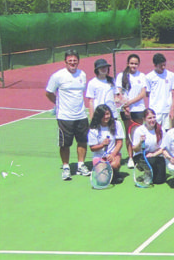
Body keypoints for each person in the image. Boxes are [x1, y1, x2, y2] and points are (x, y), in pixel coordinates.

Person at [46, 49, 91, 180]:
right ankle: (66, 167)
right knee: (65, 144)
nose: (72, 63)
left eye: (75, 61)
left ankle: (81, 165)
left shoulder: (82, 74)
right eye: (70, 61)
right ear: (65, 62)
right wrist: (58, 103)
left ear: (78, 61)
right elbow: (49, 92)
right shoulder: (57, 76)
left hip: (81, 115)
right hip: (65, 117)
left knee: (82, 141)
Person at [116, 53, 147, 168]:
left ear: (138, 64)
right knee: (129, 133)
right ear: (128, 64)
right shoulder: (121, 76)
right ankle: (130, 158)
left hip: (139, 109)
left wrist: (130, 102)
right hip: (126, 109)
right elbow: (119, 93)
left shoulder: (142, 76)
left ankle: (138, 156)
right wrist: (125, 105)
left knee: (138, 134)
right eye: (131, 63)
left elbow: (142, 94)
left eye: (136, 63)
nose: (133, 65)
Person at [87, 104, 124, 183]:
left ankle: (115, 173)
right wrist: (102, 145)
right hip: (100, 156)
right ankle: (105, 172)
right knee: (102, 181)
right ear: (98, 116)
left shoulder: (117, 124)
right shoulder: (93, 129)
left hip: (113, 154)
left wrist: (113, 154)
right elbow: (92, 148)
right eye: (103, 115)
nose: (106, 117)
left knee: (114, 164)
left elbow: (119, 143)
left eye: (107, 114)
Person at [131, 108, 167, 185]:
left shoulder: (161, 129)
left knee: (159, 181)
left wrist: (153, 154)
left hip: (156, 155)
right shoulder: (139, 130)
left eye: (154, 117)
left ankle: (152, 173)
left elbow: (163, 147)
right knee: (151, 161)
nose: (152, 120)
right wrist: (140, 142)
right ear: (144, 119)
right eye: (149, 118)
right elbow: (135, 149)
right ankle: (146, 172)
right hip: (142, 156)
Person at [145, 53, 174, 130]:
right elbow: (147, 93)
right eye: (161, 65)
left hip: (167, 110)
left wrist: (172, 109)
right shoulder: (149, 77)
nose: (163, 67)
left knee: (168, 132)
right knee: (155, 132)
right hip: (155, 110)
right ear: (155, 65)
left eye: (164, 65)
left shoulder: (171, 75)